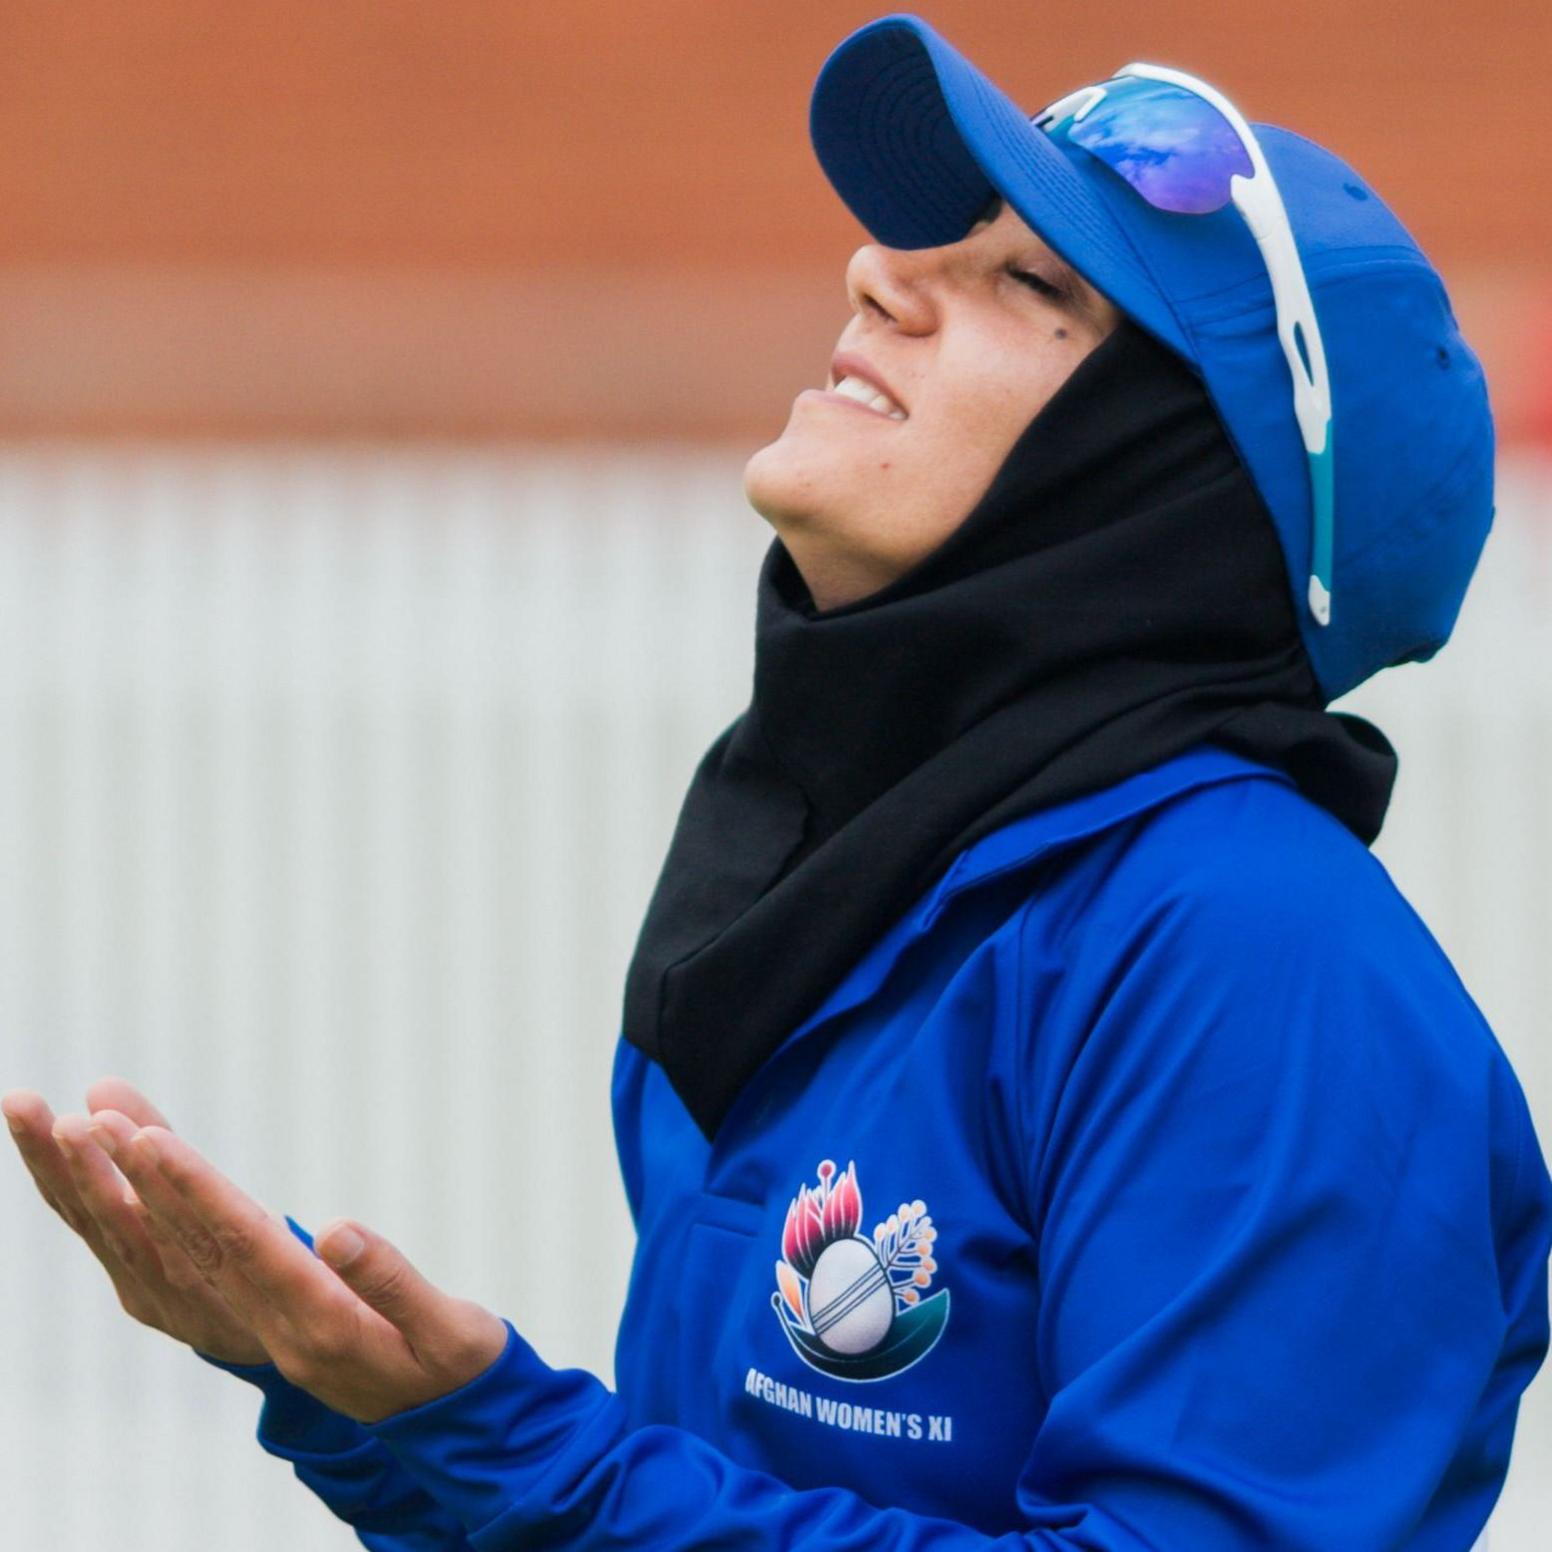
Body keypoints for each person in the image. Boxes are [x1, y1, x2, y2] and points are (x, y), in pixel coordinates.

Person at [6, 13, 1551, 1549]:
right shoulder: (877, 896)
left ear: (1170, 469)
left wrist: (513, 1462)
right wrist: (394, 1422)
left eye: (1027, 281)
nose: (879, 272)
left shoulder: (1250, 956)